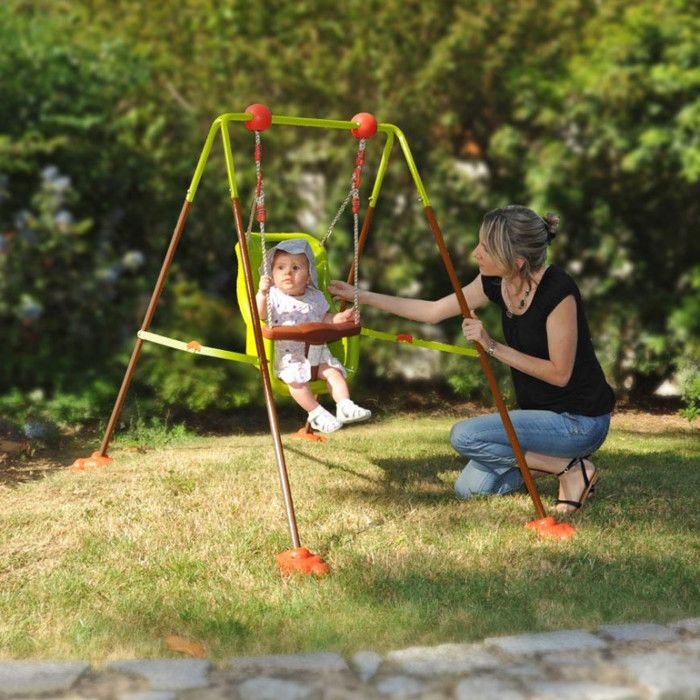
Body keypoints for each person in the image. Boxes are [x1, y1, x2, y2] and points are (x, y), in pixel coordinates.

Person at [329, 205, 615, 513]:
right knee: (470, 490)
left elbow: (560, 374)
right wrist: (363, 295)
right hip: (538, 422)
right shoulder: (495, 282)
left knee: (465, 436)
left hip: (578, 421)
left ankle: (571, 469)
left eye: (485, 248)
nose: (474, 252)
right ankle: (553, 464)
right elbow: (433, 311)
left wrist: (491, 345)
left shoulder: (558, 291)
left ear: (516, 261)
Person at [257, 238, 372, 434]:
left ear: (309, 275)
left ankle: (345, 405)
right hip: (290, 357)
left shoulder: (315, 296)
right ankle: (316, 412)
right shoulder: (273, 296)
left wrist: (342, 317)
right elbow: (259, 315)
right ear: (271, 273)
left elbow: (326, 319)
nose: (287, 272)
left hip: (318, 353)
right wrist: (262, 292)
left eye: (295, 267)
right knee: (296, 383)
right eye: (280, 267)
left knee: (334, 373)